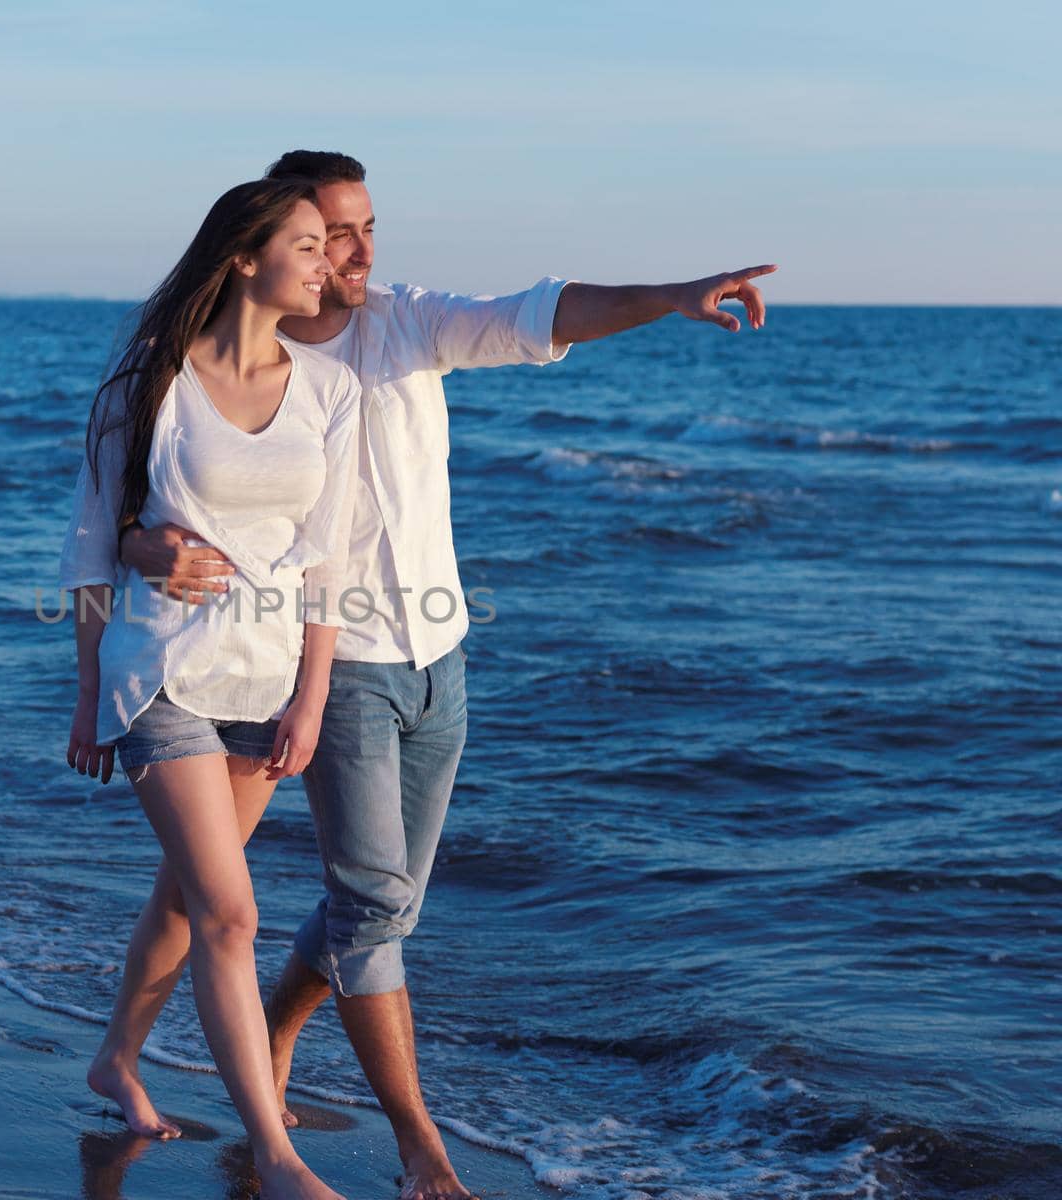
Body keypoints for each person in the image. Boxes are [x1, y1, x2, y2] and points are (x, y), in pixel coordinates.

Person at [112, 151, 777, 1200]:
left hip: (439, 657)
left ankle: (254, 1036)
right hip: (316, 665)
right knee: (350, 898)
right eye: (335, 233)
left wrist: (668, 296)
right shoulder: (232, 356)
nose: (362, 250)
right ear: (287, 243)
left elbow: (539, 313)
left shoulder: (407, 324)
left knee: (361, 904)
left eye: (370, 225)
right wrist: (150, 570)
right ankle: (419, 1146)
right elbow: (132, 507)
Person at [59, 176, 363, 1200]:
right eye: (308, 244)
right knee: (232, 914)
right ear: (243, 254)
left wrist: (311, 698)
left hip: (265, 684)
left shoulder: (329, 392)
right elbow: (96, 544)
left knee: (188, 903)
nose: (327, 262)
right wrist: (89, 688)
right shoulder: (150, 381)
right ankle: (276, 1156)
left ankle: (115, 1059)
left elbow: (329, 563)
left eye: (330, 246)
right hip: (164, 676)